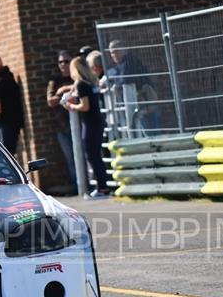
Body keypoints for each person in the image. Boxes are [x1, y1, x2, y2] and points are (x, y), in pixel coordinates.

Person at [63, 57, 110, 198]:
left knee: (92, 155)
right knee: (96, 155)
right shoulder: (91, 82)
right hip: (97, 121)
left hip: (90, 123)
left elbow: (85, 106)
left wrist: (71, 106)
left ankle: (101, 188)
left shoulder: (82, 84)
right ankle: (103, 187)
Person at [106, 39, 160, 136]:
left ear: (124, 50)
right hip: (137, 100)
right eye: (112, 53)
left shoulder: (129, 60)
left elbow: (126, 78)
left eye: (116, 51)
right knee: (144, 128)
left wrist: (117, 86)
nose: (114, 55)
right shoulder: (121, 64)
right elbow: (117, 77)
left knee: (149, 129)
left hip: (144, 99)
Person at [46, 50, 78, 194]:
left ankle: (89, 184)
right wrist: (65, 98)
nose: (63, 64)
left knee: (84, 156)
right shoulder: (55, 80)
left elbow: (83, 86)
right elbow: (50, 101)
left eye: (66, 61)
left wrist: (64, 90)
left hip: (79, 124)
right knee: (70, 159)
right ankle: (77, 186)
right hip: (62, 126)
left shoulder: (75, 77)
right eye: (60, 62)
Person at [0, 55, 24, 155]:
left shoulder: (5, 79)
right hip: (0, 121)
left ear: (1, 65)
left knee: (6, 154)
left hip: (9, 121)